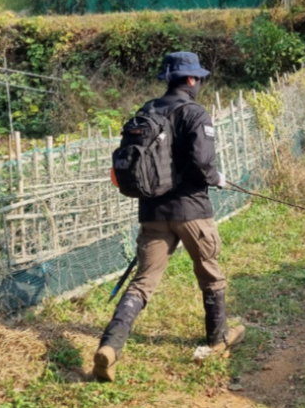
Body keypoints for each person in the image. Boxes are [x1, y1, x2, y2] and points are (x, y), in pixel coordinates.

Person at [93, 52, 245, 382]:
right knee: (210, 273)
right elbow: (203, 161)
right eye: (199, 78)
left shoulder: (146, 111)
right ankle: (218, 339)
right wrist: (216, 177)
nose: (200, 83)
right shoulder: (194, 112)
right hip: (191, 211)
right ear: (191, 80)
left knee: (143, 282)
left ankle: (109, 347)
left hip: (152, 211)